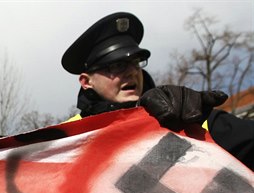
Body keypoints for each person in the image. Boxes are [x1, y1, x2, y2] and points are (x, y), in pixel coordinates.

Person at [61, 11, 254, 169]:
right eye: (117, 65)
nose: (132, 72)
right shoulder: (65, 140)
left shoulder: (190, 113)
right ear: (86, 81)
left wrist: (193, 124)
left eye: (135, 63)